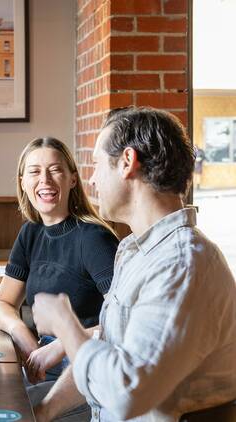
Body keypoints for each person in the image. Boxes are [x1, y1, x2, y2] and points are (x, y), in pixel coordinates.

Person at [32, 107, 236, 421]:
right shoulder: (137, 250)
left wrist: (65, 324)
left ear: (127, 162)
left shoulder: (181, 263)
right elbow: (106, 356)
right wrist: (43, 412)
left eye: (98, 164)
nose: (92, 178)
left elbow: (127, 393)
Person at [0, 137, 119, 418]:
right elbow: (1, 304)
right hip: (42, 363)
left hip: (84, 372)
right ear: (23, 181)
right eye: (35, 172)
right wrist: (24, 337)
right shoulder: (31, 233)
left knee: (8, 410)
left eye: (55, 170)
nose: (45, 180)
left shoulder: (94, 238)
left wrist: (61, 345)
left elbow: (123, 323)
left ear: (73, 179)